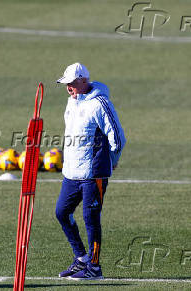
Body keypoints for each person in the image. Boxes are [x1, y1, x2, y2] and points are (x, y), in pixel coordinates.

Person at [55, 63, 126, 280]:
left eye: (72, 83)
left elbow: (118, 137)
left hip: (93, 173)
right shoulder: (71, 101)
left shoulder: (100, 103)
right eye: (66, 84)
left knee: (90, 217)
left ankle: (94, 267)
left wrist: (111, 161)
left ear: (84, 81)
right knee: (61, 213)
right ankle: (81, 259)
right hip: (71, 172)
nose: (68, 88)